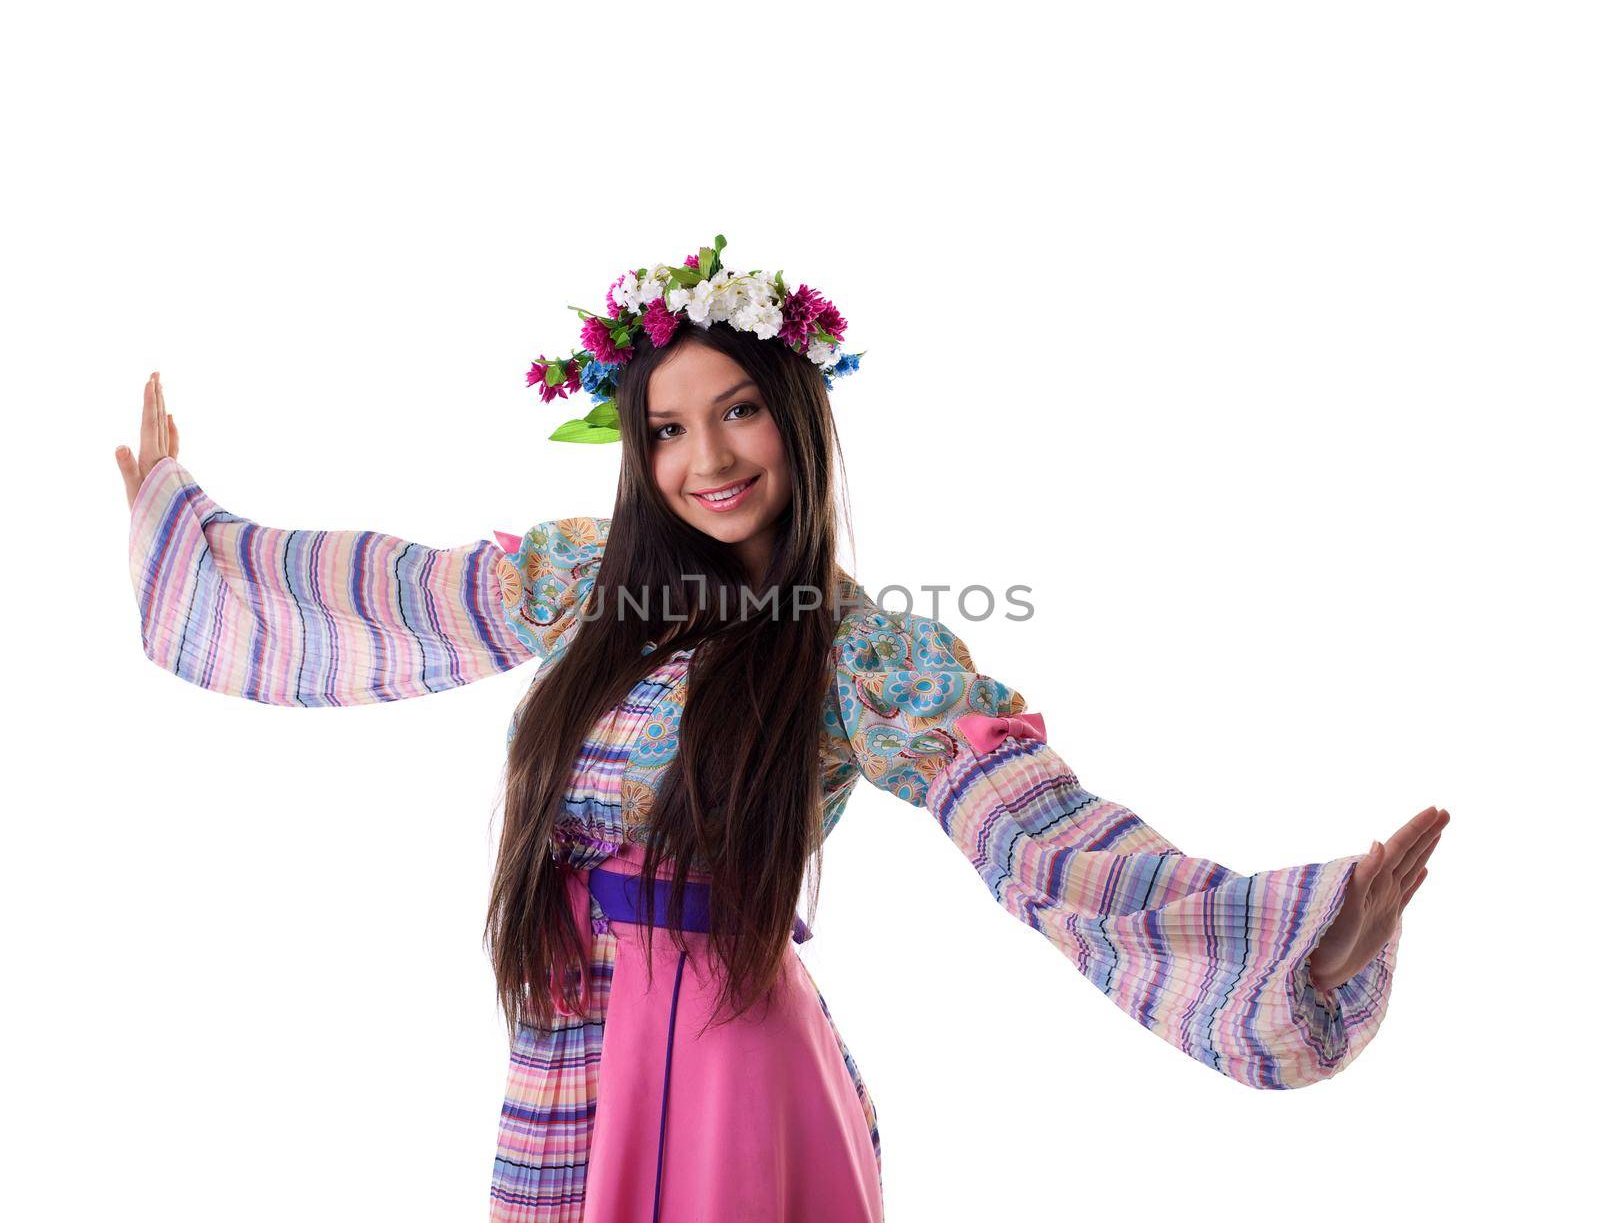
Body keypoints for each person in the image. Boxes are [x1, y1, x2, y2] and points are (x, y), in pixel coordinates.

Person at [115, 237, 1450, 1223]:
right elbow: (389, 597)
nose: (709, 457)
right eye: (670, 428)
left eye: (739, 408)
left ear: (797, 416)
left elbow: (1041, 834)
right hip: (574, 1034)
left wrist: (1305, 926)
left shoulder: (861, 650)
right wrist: (181, 524)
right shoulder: (590, 582)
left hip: (727, 1049)